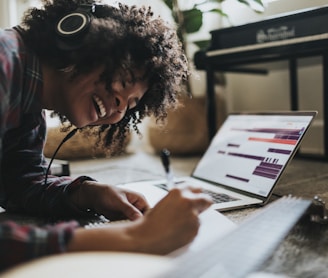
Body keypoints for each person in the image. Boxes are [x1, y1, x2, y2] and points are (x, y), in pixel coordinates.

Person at [0, 0, 213, 272]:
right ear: (79, 41)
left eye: (131, 105)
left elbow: (17, 184)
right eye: (122, 82)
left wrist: (86, 194)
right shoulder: (4, 61)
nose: (120, 105)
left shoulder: (29, 104)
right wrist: (134, 238)